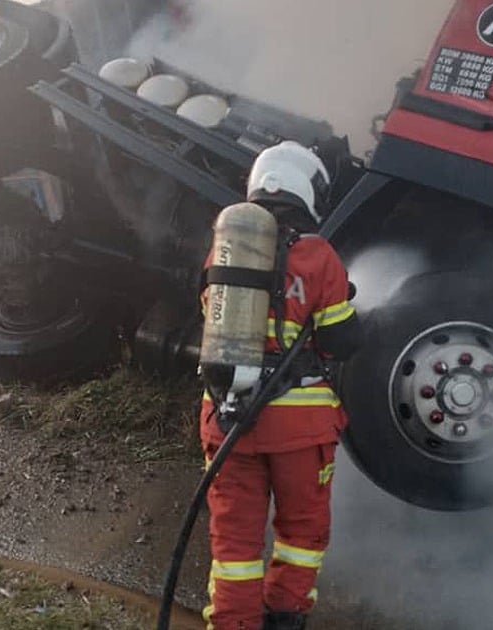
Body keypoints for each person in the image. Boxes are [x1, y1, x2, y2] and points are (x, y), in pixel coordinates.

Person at [198, 141, 363, 630]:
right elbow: (340, 341)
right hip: (298, 430)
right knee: (300, 533)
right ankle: (285, 618)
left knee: (234, 546)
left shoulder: (224, 247)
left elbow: (211, 315)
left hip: (228, 421)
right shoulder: (318, 256)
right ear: (308, 191)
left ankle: (232, 624)